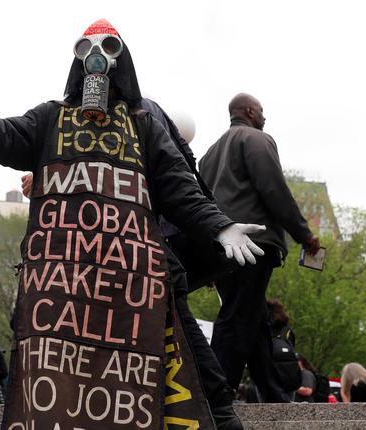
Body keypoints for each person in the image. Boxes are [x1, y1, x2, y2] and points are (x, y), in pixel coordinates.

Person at [0, 20, 266, 429]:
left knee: (202, 382)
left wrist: (219, 226)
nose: (97, 58)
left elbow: (180, 189)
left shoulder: (143, 124)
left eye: (108, 47)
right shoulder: (50, 119)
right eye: (86, 48)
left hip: (139, 288)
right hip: (67, 292)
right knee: (68, 392)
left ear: (121, 60)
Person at [17, 98, 246, 426]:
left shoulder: (130, 119)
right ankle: (215, 408)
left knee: (172, 331)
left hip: (139, 253)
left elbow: (119, 178)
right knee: (164, 333)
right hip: (131, 252)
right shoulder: (139, 116)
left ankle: (218, 409)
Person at [198, 93, 321, 403]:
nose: (265, 117)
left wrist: (206, 253)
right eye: (262, 111)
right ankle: (215, 392)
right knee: (238, 315)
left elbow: (201, 201)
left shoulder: (209, 153)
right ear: (250, 111)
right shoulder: (256, 139)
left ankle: (273, 392)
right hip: (252, 242)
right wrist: (303, 233)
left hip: (220, 244)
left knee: (253, 316)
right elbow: (273, 189)